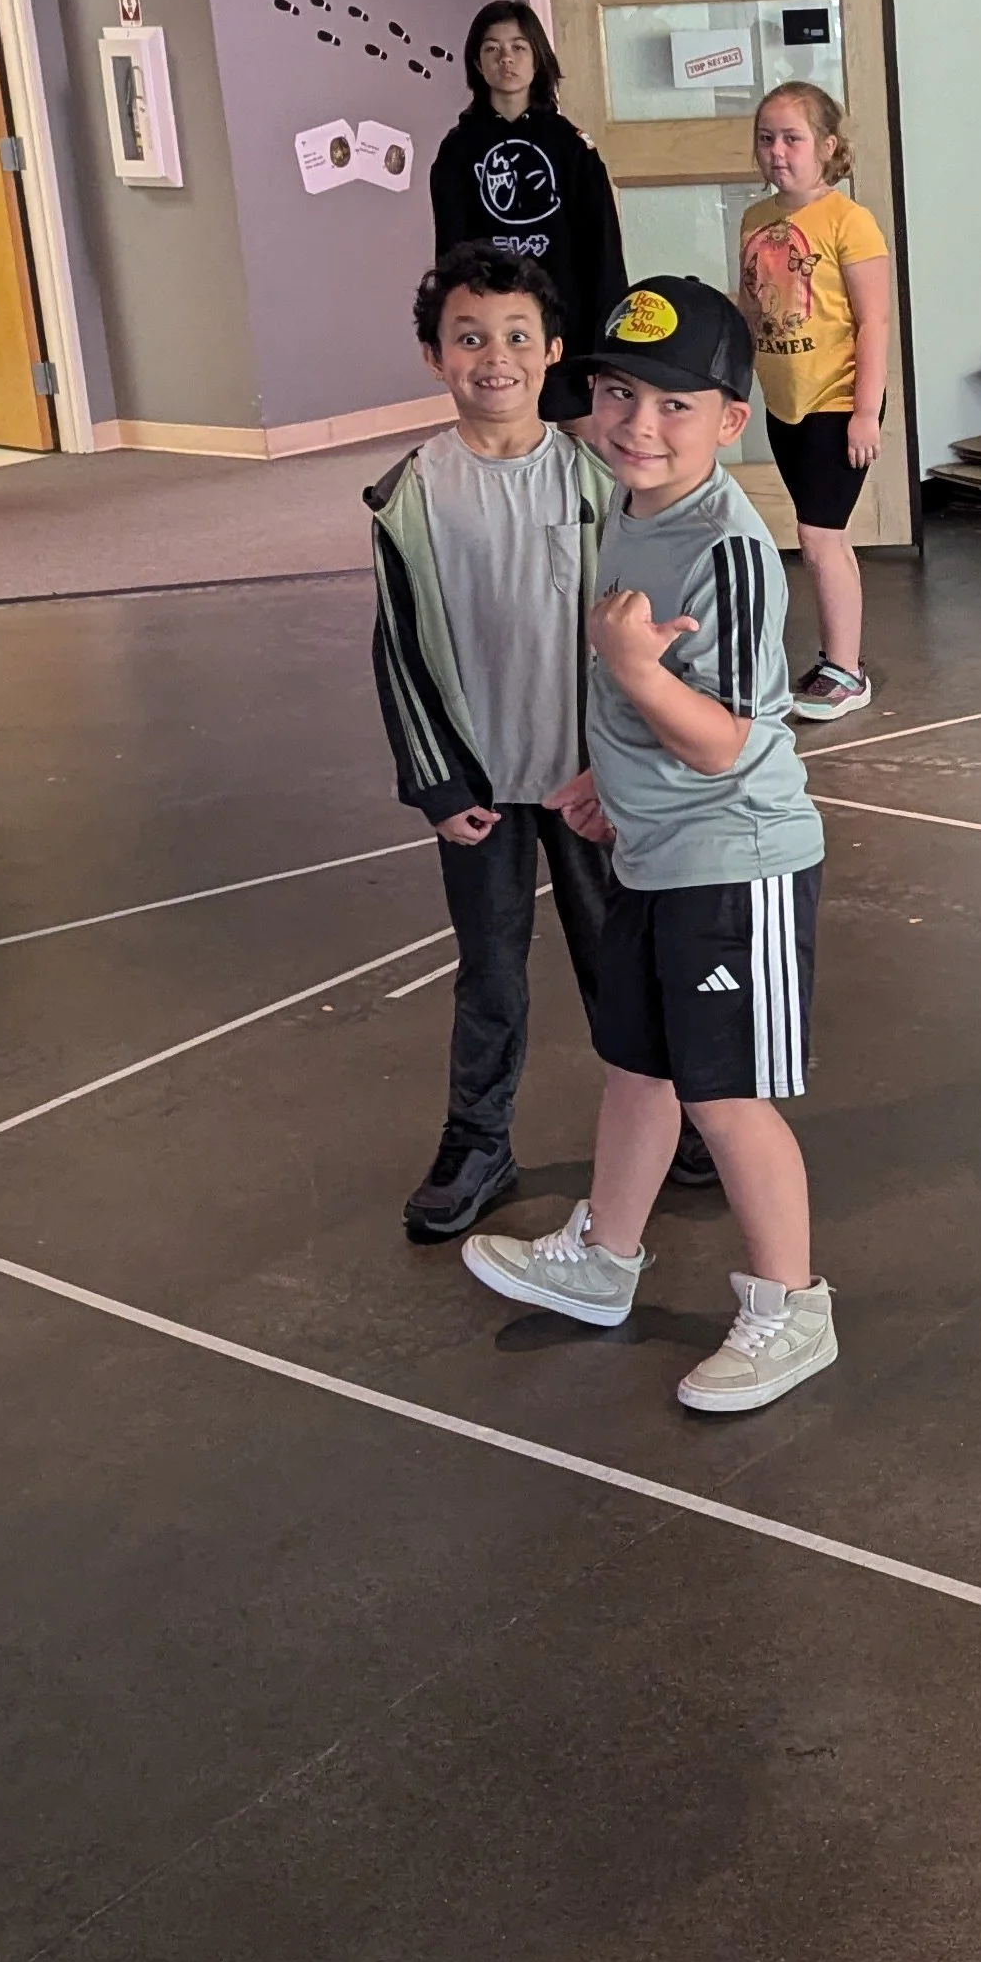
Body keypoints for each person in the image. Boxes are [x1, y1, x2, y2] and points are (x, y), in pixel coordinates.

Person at [463, 274, 837, 1416]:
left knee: (725, 1095)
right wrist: (604, 774)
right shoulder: (630, 515)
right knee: (640, 1065)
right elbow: (652, 716)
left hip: (736, 857)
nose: (639, 424)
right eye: (620, 393)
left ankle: (791, 1307)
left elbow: (724, 741)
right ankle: (604, 1262)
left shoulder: (723, 543)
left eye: (677, 405)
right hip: (653, 849)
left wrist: (629, 674)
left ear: (731, 421)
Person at [368, 242, 711, 1241]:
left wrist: (619, 765)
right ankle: (477, 1141)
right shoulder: (407, 498)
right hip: (480, 790)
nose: (494, 356)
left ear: (554, 351)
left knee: (623, 966)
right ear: (435, 355)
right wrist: (436, 783)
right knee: (490, 973)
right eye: (468, 336)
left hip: (588, 782)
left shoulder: (598, 484)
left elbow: (638, 639)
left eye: (518, 336)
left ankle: (676, 1118)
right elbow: (397, 652)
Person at [735, 81, 892, 717]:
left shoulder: (849, 221)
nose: (778, 151)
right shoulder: (754, 220)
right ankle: (840, 655)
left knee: (816, 534)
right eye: (766, 138)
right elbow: (749, 308)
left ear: (826, 147)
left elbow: (873, 321)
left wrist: (863, 411)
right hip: (785, 404)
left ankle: (847, 672)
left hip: (836, 401)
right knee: (826, 536)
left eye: (792, 138)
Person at [428, 1, 623, 426]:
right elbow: (450, 254)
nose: (506, 59)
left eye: (518, 47)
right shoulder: (457, 151)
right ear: (477, 63)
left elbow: (602, 250)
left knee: (582, 446)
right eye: (492, 49)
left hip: (566, 321)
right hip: (492, 323)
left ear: (537, 57)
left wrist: (604, 349)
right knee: (502, 437)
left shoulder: (573, 147)